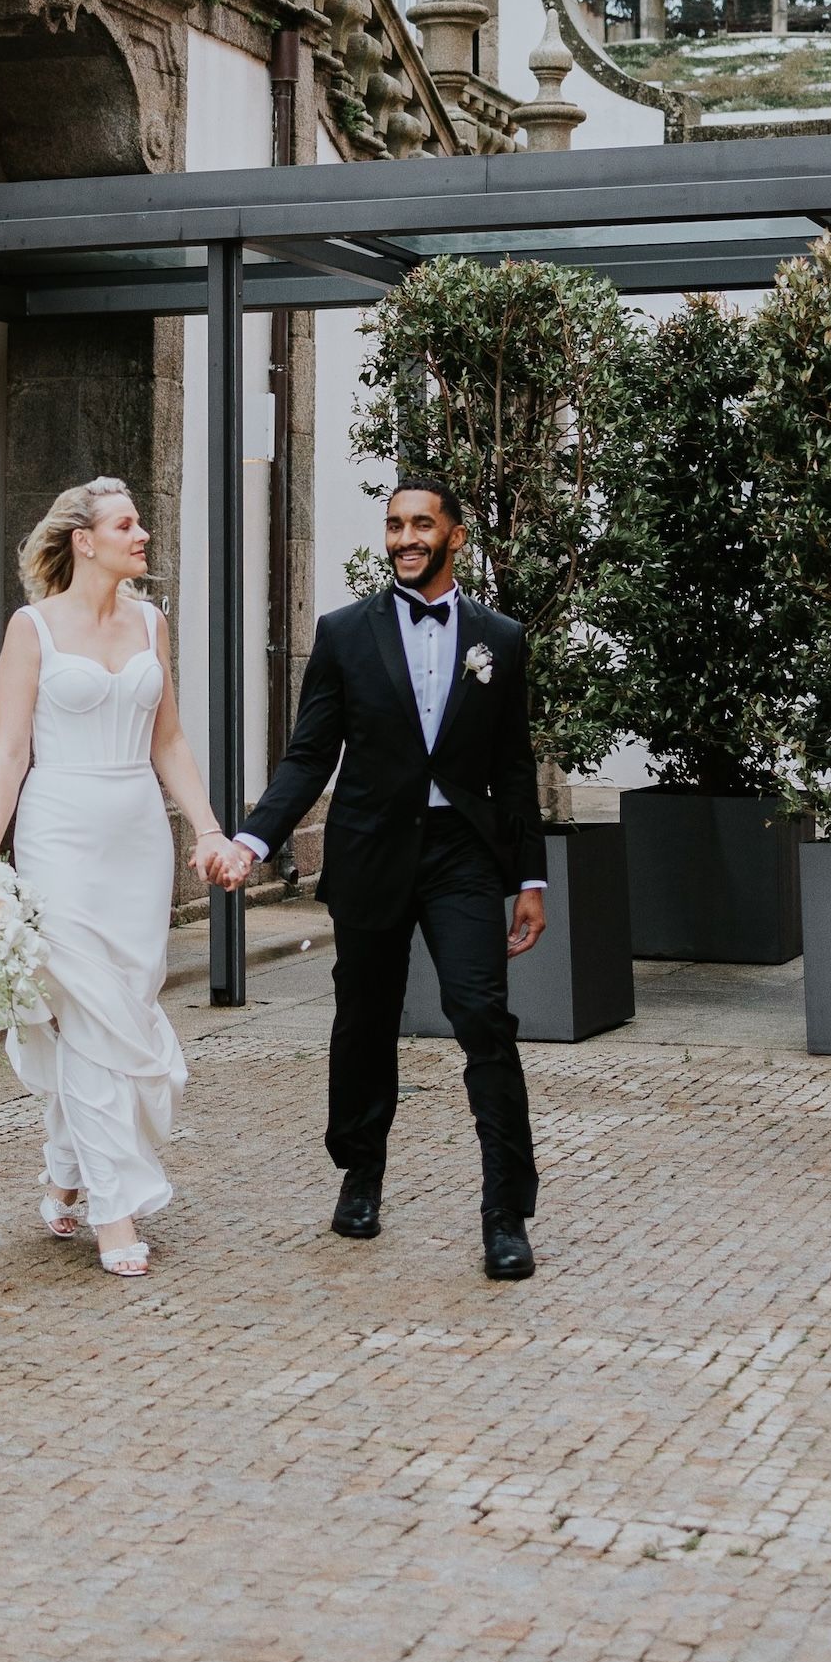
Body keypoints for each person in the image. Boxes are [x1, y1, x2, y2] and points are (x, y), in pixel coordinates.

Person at [211, 473, 548, 1280]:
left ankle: (505, 1211)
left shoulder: (497, 639)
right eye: (394, 525)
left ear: (455, 537)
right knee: (364, 1021)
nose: (404, 538)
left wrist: (530, 879)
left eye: (421, 525)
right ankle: (361, 1173)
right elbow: (308, 756)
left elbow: (513, 766)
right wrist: (255, 840)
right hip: (369, 850)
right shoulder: (343, 633)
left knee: (482, 1017)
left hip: (460, 853)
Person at [0, 474, 237, 1279]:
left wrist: (207, 828)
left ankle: (64, 1172)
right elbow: (11, 752)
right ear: (84, 540)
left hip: (136, 836)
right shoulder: (32, 629)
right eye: (128, 524)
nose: (143, 534)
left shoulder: (152, 624)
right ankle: (114, 1214)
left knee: (124, 1001)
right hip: (60, 834)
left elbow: (170, 742)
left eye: (141, 524)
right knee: (88, 1015)